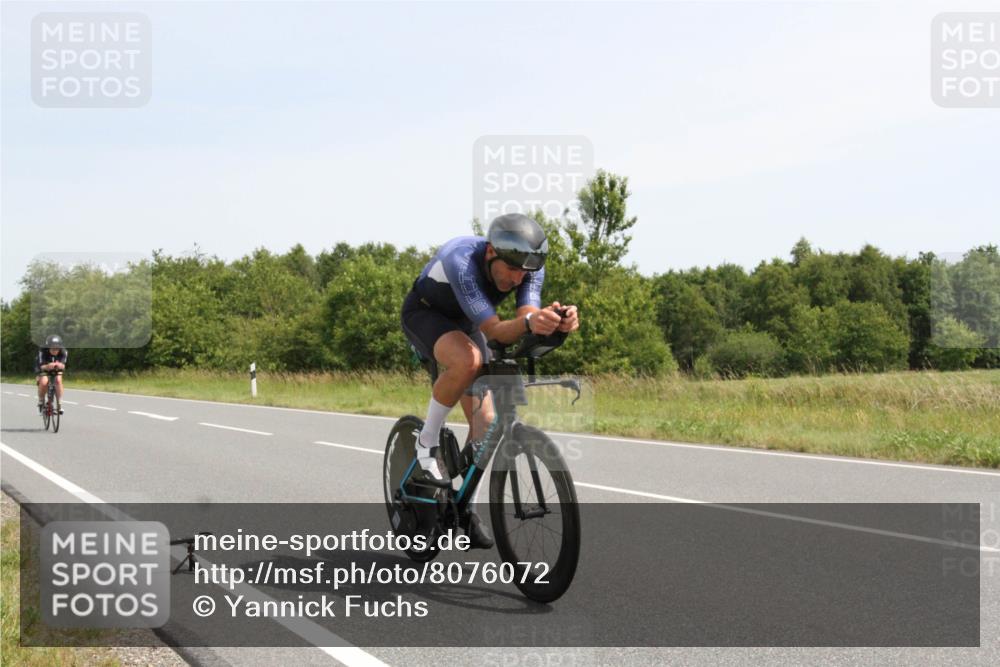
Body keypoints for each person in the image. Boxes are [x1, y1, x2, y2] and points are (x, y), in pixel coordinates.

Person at [400, 213, 579, 548]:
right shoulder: (462, 259)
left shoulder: (528, 266)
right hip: (426, 314)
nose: (516, 279)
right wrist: (528, 325)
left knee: (486, 421)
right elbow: (497, 330)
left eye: (523, 273)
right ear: (491, 254)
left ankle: (466, 507)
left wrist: (553, 322)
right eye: (511, 270)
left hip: (469, 324)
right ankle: (427, 440)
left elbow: (525, 317)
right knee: (468, 360)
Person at [36, 334, 67, 414]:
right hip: (43, 366)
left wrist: (60, 365)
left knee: (58, 380)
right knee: (44, 382)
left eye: (57, 348)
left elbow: (63, 365)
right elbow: (41, 366)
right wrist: (48, 366)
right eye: (53, 348)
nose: (55, 350)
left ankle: (59, 403)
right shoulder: (42, 350)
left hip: (56, 367)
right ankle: (40, 399)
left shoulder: (63, 351)